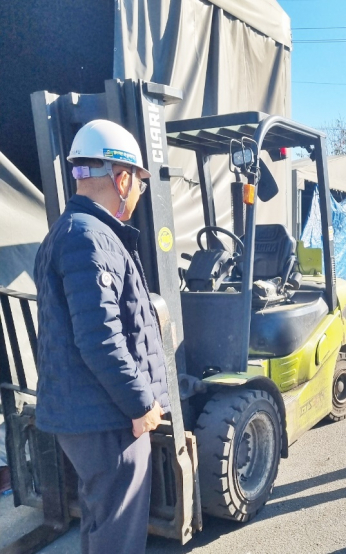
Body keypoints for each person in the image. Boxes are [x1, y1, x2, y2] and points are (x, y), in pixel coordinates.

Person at [34, 120, 169, 554]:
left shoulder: (71, 231)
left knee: (101, 523)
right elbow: (101, 339)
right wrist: (141, 403)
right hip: (108, 420)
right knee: (119, 535)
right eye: (139, 183)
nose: (139, 193)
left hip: (91, 416)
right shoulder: (89, 238)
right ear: (122, 178)